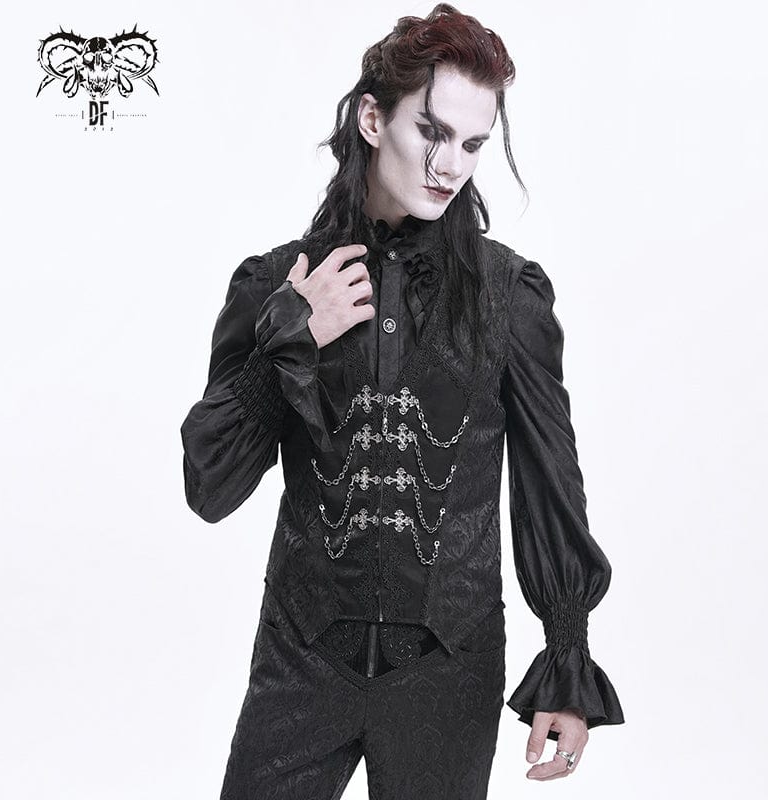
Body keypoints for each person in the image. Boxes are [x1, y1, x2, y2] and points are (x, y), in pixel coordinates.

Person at [180, 4, 624, 798]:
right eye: (432, 131)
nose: (450, 165)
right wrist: (291, 337)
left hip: (448, 677)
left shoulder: (507, 296)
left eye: (473, 144)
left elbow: (550, 487)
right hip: (301, 662)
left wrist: (567, 656)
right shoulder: (279, 285)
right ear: (372, 118)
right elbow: (210, 486)